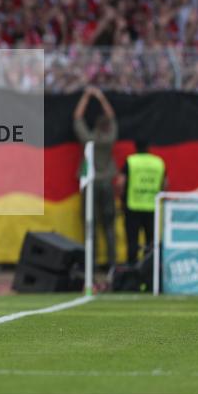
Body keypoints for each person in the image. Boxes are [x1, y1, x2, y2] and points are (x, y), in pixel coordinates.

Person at [73, 85, 118, 275]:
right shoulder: (109, 139)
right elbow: (113, 116)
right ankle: (112, 265)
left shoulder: (89, 139)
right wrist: (100, 97)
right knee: (109, 226)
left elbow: (77, 118)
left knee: (90, 224)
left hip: (90, 184)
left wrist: (86, 96)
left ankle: (90, 264)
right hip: (106, 183)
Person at [120, 139, 166, 266]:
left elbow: (121, 183)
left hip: (133, 206)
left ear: (135, 147)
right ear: (148, 147)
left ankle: (132, 268)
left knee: (132, 240)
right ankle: (149, 269)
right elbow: (165, 184)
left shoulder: (131, 161)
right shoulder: (158, 162)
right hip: (152, 206)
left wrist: (121, 199)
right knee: (151, 241)